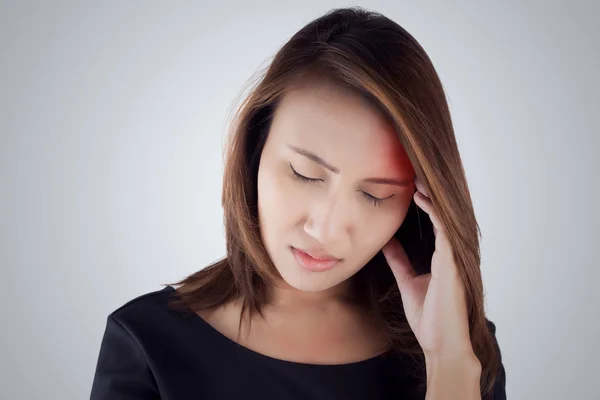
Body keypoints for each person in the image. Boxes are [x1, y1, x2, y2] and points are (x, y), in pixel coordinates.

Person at [90, 6, 506, 400]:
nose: (325, 230)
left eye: (375, 195)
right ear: (255, 151)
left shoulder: (460, 348)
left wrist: (448, 362)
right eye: (305, 174)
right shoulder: (147, 342)